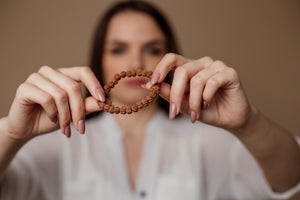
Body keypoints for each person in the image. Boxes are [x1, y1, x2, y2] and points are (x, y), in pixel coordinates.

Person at [0, 1, 299, 199]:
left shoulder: (209, 140)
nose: (135, 61)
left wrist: (249, 123)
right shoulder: (55, 143)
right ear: (99, 60)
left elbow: (291, 178)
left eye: (152, 49)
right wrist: (11, 133)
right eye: (118, 49)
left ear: (168, 58)